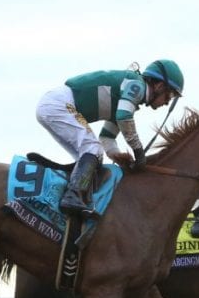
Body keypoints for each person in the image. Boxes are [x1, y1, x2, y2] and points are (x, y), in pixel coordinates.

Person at [36, 59, 184, 215]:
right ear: (159, 86)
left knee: (91, 159)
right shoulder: (137, 85)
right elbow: (124, 116)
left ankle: (72, 196)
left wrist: (121, 160)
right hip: (58, 104)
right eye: (170, 94)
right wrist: (139, 153)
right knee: (92, 149)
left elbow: (107, 138)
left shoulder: (125, 98)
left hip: (54, 105)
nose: (167, 102)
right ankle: (72, 197)